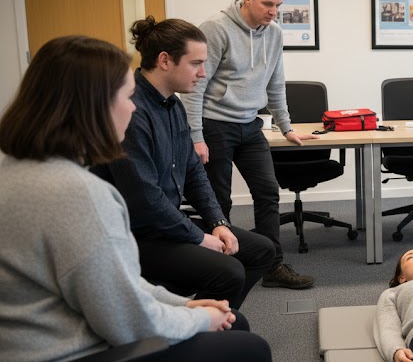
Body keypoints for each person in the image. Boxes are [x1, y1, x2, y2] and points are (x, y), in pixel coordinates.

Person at [0, 35, 271, 362]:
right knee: (250, 347)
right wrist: (198, 317)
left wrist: (186, 305)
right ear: (93, 106)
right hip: (71, 349)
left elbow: (116, 286)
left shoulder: (15, 170)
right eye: (126, 97)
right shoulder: (78, 193)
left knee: (233, 316)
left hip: (44, 333)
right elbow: (126, 321)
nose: (132, 106)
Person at [91, 17, 276, 310]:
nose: (204, 73)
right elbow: (145, 199)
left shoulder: (173, 105)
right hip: (136, 235)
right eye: (196, 63)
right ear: (165, 60)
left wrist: (218, 222)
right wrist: (198, 238)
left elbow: (193, 171)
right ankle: (192, 325)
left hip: (165, 225)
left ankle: (201, 320)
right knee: (229, 270)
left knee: (262, 251)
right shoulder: (131, 112)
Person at [182, 0, 318, 289]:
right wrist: (196, 136)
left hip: (250, 125)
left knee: (268, 192)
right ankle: (222, 266)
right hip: (215, 125)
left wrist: (286, 127)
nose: (273, 12)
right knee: (218, 200)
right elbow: (195, 86)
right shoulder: (216, 28)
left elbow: (275, 83)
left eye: (278, 5)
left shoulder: (274, 33)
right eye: (267, 4)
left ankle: (273, 266)